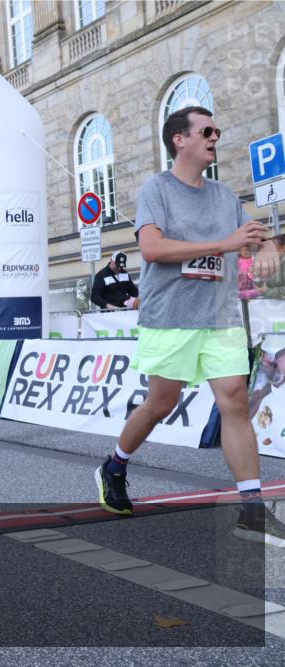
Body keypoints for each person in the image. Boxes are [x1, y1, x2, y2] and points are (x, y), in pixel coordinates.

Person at [94, 106, 285, 546]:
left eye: (217, 131)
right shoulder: (157, 188)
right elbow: (153, 248)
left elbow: (253, 239)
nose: (215, 137)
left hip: (220, 317)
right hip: (171, 316)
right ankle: (115, 465)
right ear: (180, 139)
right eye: (207, 131)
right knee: (161, 402)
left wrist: (267, 248)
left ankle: (252, 508)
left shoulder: (224, 196)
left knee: (234, 401)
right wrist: (223, 244)